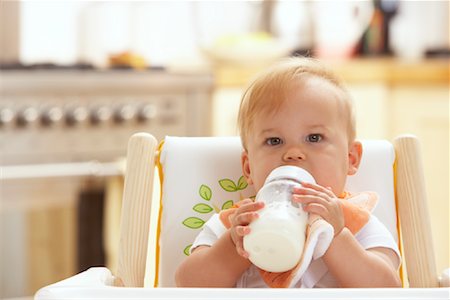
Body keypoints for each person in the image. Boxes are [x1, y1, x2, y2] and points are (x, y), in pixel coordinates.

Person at [175, 57, 401, 288]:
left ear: (350, 158)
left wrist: (336, 236)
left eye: (314, 138)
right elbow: (188, 284)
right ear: (249, 167)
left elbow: (388, 289)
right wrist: (232, 247)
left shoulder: (356, 223)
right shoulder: (236, 223)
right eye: (274, 141)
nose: (293, 153)